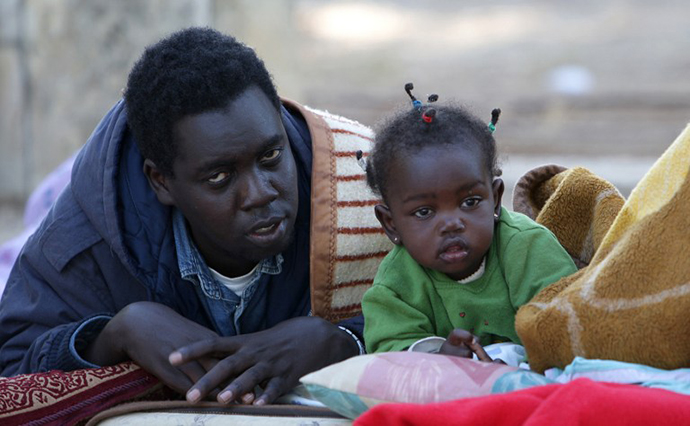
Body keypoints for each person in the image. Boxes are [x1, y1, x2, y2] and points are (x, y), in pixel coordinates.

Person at [0, 27, 373, 405]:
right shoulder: (81, 243)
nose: (261, 193)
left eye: (271, 157)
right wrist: (114, 335)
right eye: (219, 177)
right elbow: (11, 377)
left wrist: (345, 340)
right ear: (161, 182)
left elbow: (434, 326)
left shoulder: (362, 188)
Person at [360, 84, 578, 362]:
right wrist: (442, 358)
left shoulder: (529, 249)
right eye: (425, 212)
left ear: (496, 199)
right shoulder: (396, 284)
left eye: (470, 202)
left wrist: (521, 369)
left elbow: (568, 327)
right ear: (390, 224)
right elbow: (390, 352)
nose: (452, 223)